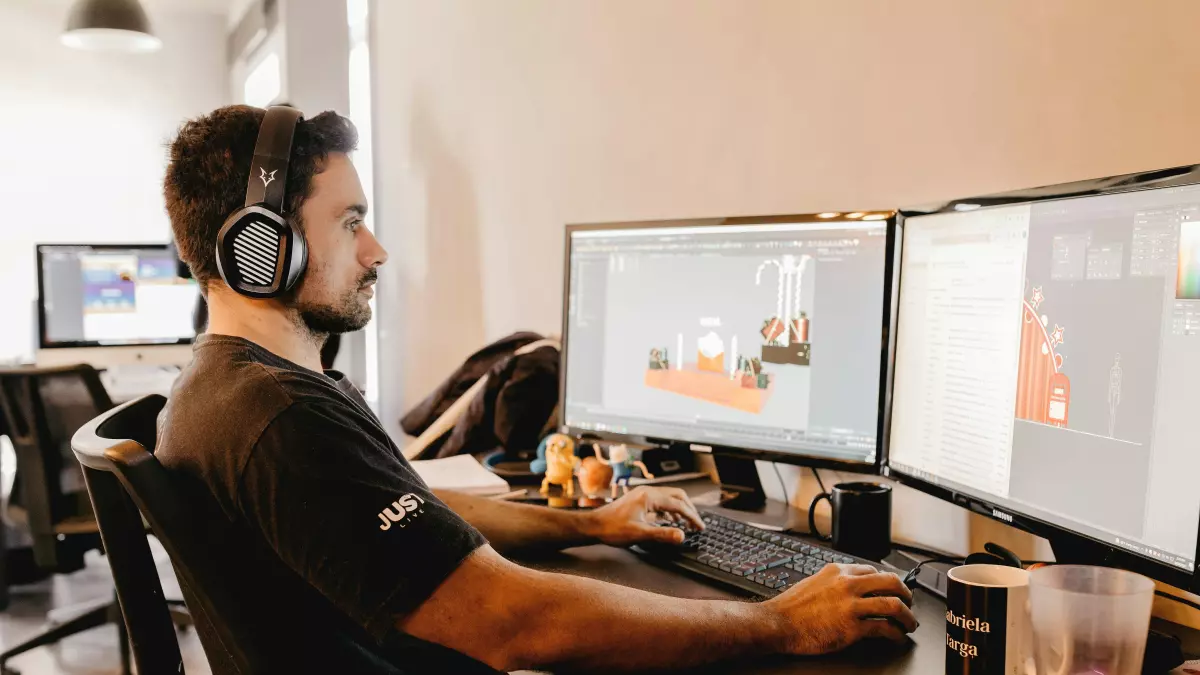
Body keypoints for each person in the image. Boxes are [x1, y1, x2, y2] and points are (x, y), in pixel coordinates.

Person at [159, 105, 916, 674]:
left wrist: (592, 522)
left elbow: (416, 515)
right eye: (350, 221)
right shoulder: (282, 419)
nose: (376, 249)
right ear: (263, 247)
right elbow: (512, 621)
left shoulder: (225, 387)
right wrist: (783, 622)